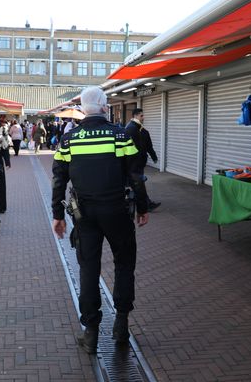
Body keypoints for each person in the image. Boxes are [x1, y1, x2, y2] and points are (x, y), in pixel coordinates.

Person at [52, 86, 149, 354]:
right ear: (105, 106)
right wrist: (142, 207)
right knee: (124, 265)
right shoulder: (120, 135)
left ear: (83, 108)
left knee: (88, 269)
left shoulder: (69, 139)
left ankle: (91, 333)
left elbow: (59, 180)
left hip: (85, 215)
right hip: (117, 211)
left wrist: (58, 215)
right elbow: (135, 176)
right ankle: (121, 325)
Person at [125, 108, 161, 212]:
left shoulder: (140, 129)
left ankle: (145, 203)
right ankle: (146, 204)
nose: (143, 118)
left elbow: (147, 145)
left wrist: (153, 156)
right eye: (141, 116)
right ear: (135, 116)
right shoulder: (131, 129)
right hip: (134, 163)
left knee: (138, 184)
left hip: (138, 163)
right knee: (138, 184)